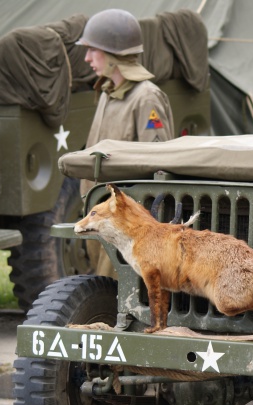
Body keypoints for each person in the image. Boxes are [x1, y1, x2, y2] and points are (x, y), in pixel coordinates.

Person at [76, 8, 175, 277]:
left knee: (117, 299)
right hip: (101, 215)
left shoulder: (146, 98)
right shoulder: (108, 93)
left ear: (112, 54)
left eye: (92, 51)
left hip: (128, 225)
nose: (86, 58)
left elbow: (159, 166)